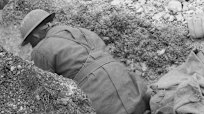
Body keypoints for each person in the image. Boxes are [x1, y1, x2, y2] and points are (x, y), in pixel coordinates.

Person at [20, 9, 149, 114]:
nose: (32, 46)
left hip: (103, 103)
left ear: (35, 36)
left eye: (30, 42)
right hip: (134, 93)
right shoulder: (82, 32)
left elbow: (46, 92)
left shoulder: (40, 49)